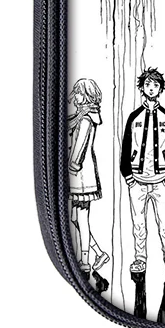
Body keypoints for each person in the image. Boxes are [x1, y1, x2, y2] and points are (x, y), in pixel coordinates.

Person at [120, 68, 165, 274]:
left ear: (161, 88)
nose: (151, 88)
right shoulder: (134, 117)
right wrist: (128, 176)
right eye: (147, 84)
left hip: (161, 180)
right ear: (142, 88)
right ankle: (140, 258)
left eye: (155, 85)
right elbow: (126, 146)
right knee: (138, 223)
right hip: (136, 181)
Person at [67, 78, 109, 276]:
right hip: (81, 175)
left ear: (85, 96)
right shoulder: (82, 116)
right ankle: (99, 253)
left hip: (81, 175)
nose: (74, 96)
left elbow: (80, 146)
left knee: (81, 218)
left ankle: (85, 261)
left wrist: (72, 165)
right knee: (75, 217)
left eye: (77, 93)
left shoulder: (85, 119)